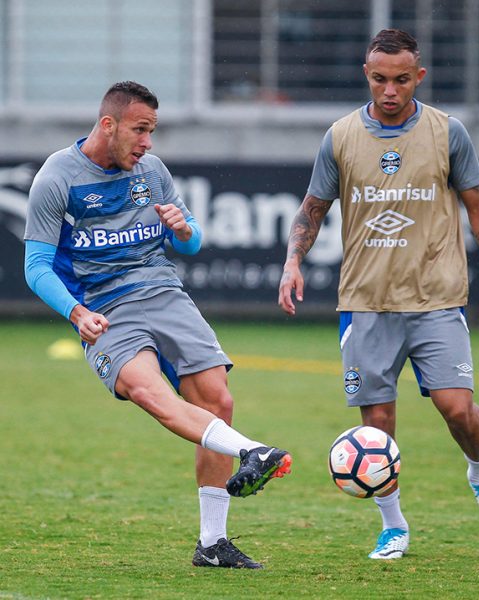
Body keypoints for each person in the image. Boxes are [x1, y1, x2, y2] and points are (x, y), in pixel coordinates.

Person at [24, 81, 292, 570]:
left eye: (153, 131)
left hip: (165, 293)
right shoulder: (56, 180)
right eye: (140, 130)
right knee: (152, 395)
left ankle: (212, 544)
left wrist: (185, 230)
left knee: (217, 398)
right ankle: (254, 451)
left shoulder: (152, 171)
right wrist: (76, 312)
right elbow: (36, 265)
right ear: (109, 125)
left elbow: (189, 245)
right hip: (105, 308)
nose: (148, 143)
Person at [278, 29, 479, 559]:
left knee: (459, 411)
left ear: (419, 77)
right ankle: (395, 526)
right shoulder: (339, 137)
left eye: (401, 80)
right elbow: (312, 209)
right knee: (377, 429)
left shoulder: (448, 133)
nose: (390, 90)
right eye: (380, 79)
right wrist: (292, 262)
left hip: (436, 298)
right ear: (368, 75)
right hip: (365, 303)